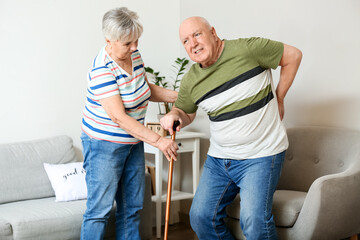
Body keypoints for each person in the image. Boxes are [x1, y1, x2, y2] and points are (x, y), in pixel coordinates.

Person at [160, 16, 302, 240]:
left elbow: (293, 56)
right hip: (220, 159)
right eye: (186, 41)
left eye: (197, 34)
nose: (193, 44)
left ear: (213, 33)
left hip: (261, 155)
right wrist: (173, 114)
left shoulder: (248, 49)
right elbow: (185, 113)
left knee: (254, 220)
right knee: (200, 217)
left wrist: (280, 97)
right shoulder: (192, 80)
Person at [80, 7, 179, 240]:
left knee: (132, 209)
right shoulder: (102, 70)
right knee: (99, 211)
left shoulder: (133, 56)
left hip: (133, 142)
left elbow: (145, 89)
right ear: (110, 41)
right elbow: (118, 117)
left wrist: (178, 96)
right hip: (103, 145)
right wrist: (158, 141)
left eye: (136, 41)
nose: (134, 47)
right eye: (127, 43)